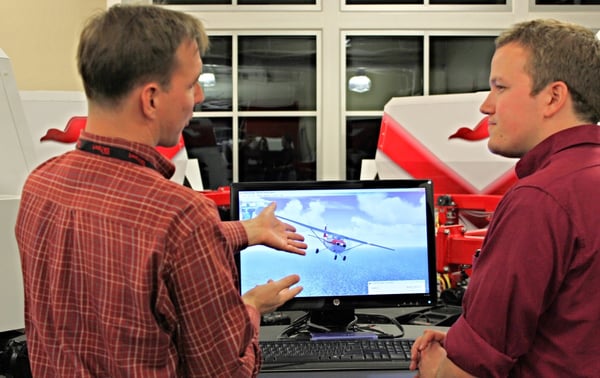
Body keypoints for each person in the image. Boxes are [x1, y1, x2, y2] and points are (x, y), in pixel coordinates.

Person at [14, 5, 307, 377]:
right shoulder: (181, 216)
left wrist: (248, 231)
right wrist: (250, 306)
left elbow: (139, 245)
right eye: (191, 84)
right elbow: (226, 373)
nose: (199, 96)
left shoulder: (41, 184)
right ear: (151, 99)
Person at [410, 19, 600, 377]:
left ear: (553, 97)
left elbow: (470, 372)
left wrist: (437, 366)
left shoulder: (540, 199)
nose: (485, 106)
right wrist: (465, 337)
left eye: (500, 87)